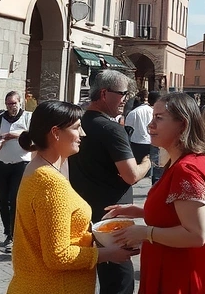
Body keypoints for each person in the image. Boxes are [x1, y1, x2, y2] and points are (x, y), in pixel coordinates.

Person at [108, 93, 205, 294]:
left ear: (182, 124)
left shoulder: (187, 169)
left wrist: (144, 232)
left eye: (159, 118)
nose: (151, 125)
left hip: (181, 278)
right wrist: (141, 211)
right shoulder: (186, 161)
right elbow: (181, 211)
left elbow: (196, 234)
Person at [7, 100, 132, 294]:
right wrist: (108, 253)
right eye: (76, 128)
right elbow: (58, 255)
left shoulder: (41, 168)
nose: (82, 134)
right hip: (53, 287)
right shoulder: (50, 182)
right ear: (56, 133)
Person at [68, 70, 152, 294]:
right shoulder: (111, 128)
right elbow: (131, 175)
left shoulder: (78, 122)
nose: (126, 99)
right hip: (112, 219)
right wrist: (147, 164)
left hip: (82, 211)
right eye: (123, 93)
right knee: (119, 281)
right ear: (104, 93)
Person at [0, 90, 32, 253]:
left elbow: (35, 138)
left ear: (20, 102)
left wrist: (16, 135)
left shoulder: (29, 118)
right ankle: (8, 233)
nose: (11, 107)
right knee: (3, 201)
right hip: (2, 163)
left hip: (21, 164)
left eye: (13, 103)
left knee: (15, 200)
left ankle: (16, 237)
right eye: (8, 104)